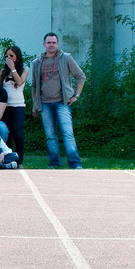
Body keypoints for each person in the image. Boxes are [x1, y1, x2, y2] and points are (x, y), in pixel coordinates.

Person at [31, 32, 86, 169]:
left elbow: (81, 77)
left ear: (58, 44)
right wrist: (34, 104)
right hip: (44, 103)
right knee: (50, 136)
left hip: (63, 102)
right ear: (44, 45)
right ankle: (55, 163)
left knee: (68, 133)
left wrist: (76, 95)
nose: (51, 45)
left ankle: (75, 164)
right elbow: (34, 86)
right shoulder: (37, 63)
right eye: (48, 43)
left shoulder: (66, 58)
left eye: (54, 42)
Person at [0, 46, 28, 166]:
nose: (8, 58)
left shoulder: (24, 69)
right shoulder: (3, 71)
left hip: (18, 106)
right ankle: (10, 160)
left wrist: (13, 69)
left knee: (18, 133)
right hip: (6, 106)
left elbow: (20, 82)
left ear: (17, 57)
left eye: (11, 55)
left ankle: (20, 160)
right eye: (6, 56)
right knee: (8, 133)